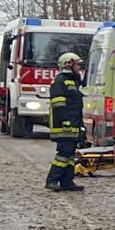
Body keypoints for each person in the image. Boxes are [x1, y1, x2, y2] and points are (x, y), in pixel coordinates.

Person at [46, 52, 86, 192]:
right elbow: (58, 105)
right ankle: (52, 180)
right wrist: (66, 122)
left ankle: (66, 182)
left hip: (73, 123)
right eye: (77, 64)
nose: (79, 67)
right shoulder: (60, 81)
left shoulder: (73, 81)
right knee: (63, 153)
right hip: (64, 125)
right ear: (69, 64)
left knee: (69, 155)